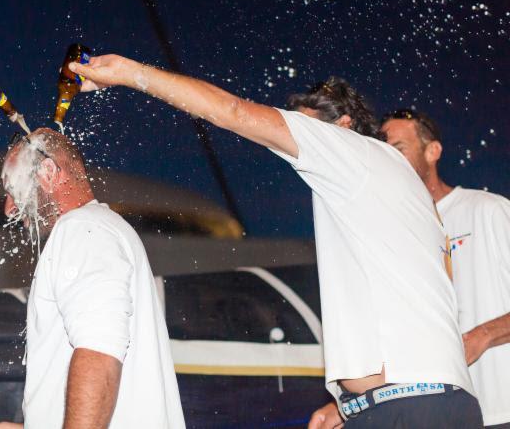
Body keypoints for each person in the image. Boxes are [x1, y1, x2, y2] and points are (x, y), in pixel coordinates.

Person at [70, 56, 482, 427]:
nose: (288, 146)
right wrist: (347, 406)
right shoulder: (395, 187)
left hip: (409, 409)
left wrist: (128, 73)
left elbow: (231, 112)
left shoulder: (352, 152)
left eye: (302, 128)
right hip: (424, 402)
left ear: (342, 126)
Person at [0, 128, 185, 429]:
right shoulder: (100, 229)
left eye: (13, 189)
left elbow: (99, 355)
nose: (9, 207)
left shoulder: (81, 231)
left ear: (49, 172)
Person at [379, 109, 510, 428]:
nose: (388, 160)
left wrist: (483, 335)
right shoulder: (392, 231)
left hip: (502, 408)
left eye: (398, 148)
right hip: (441, 414)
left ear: (432, 151)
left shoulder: (489, 211)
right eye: (383, 152)